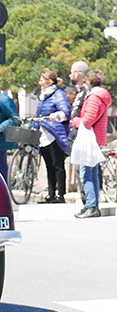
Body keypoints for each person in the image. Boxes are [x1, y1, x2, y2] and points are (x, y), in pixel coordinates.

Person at [71, 70, 113, 218]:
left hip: (90, 138)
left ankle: (91, 205)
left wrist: (75, 121)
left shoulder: (94, 97)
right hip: (97, 137)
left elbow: (88, 120)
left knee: (86, 173)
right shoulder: (102, 96)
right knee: (93, 171)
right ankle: (92, 203)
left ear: (89, 82)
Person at [35, 68, 71, 204]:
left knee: (58, 165)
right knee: (48, 165)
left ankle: (60, 195)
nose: (40, 83)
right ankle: (51, 194)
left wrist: (56, 115)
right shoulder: (43, 95)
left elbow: (66, 111)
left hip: (55, 133)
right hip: (44, 134)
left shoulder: (58, 94)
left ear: (50, 81)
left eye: (42, 80)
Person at [68, 60, 90, 205]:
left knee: (84, 168)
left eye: (71, 72)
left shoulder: (88, 91)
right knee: (78, 167)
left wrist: (77, 122)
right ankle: (86, 199)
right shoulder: (79, 91)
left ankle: (89, 200)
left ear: (78, 73)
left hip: (84, 133)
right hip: (75, 132)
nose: (69, 75)